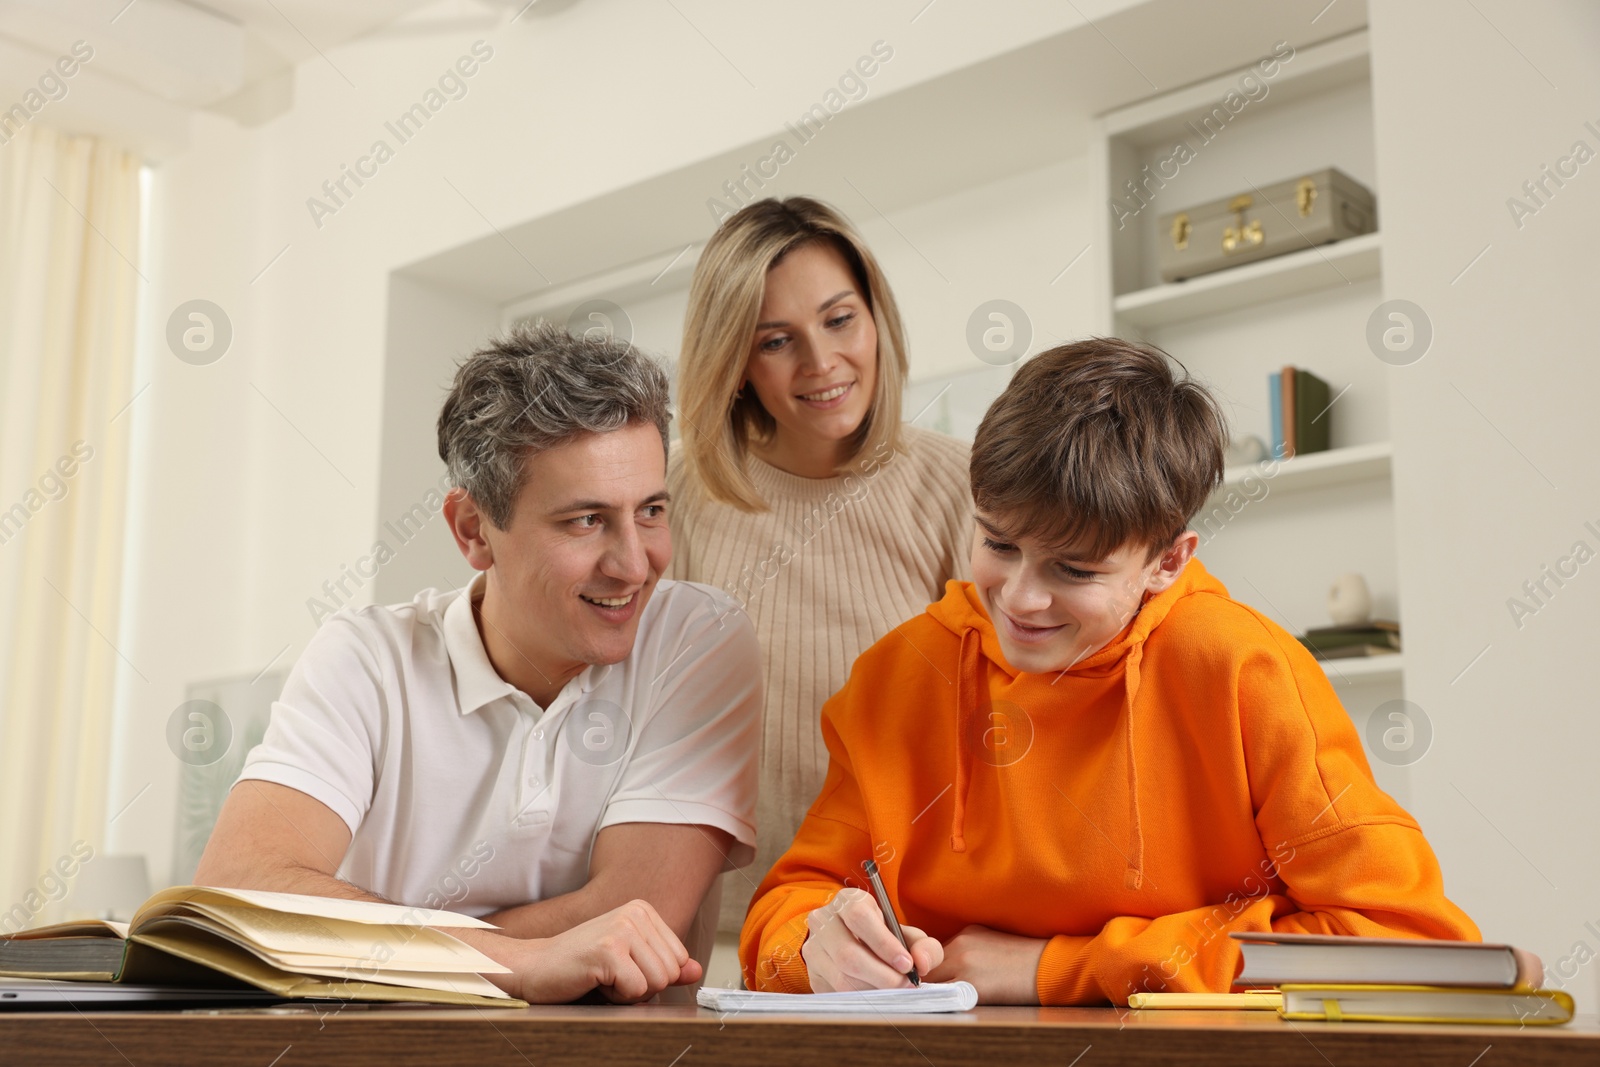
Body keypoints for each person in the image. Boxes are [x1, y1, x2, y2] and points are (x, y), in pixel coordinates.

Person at [740, 337, 1479, 1004]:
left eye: (1073, 568)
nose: (1021, 598)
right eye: (998, 544)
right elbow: (783, 912)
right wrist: (815, 947)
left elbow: (1407, 944)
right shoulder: (894, 679)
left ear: (1167, 561)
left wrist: (1058, 966)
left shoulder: (1248, 673)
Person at [196, 322, 761, 1005]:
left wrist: (369, 943)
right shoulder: (365, 660)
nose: (634, 564)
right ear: (473, 530)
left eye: (650, 510)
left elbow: (637, 913)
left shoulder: (698, 638)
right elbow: (239, 887)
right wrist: (515, 963)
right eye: (585, 521)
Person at [667, 196, 974, 941]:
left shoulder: (959, 485)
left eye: (840, 320)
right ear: (735, 362)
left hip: (915, 933)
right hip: (727, 934)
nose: (821, 362)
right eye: (776, 340)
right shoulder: (676, 495)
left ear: (876, 318)